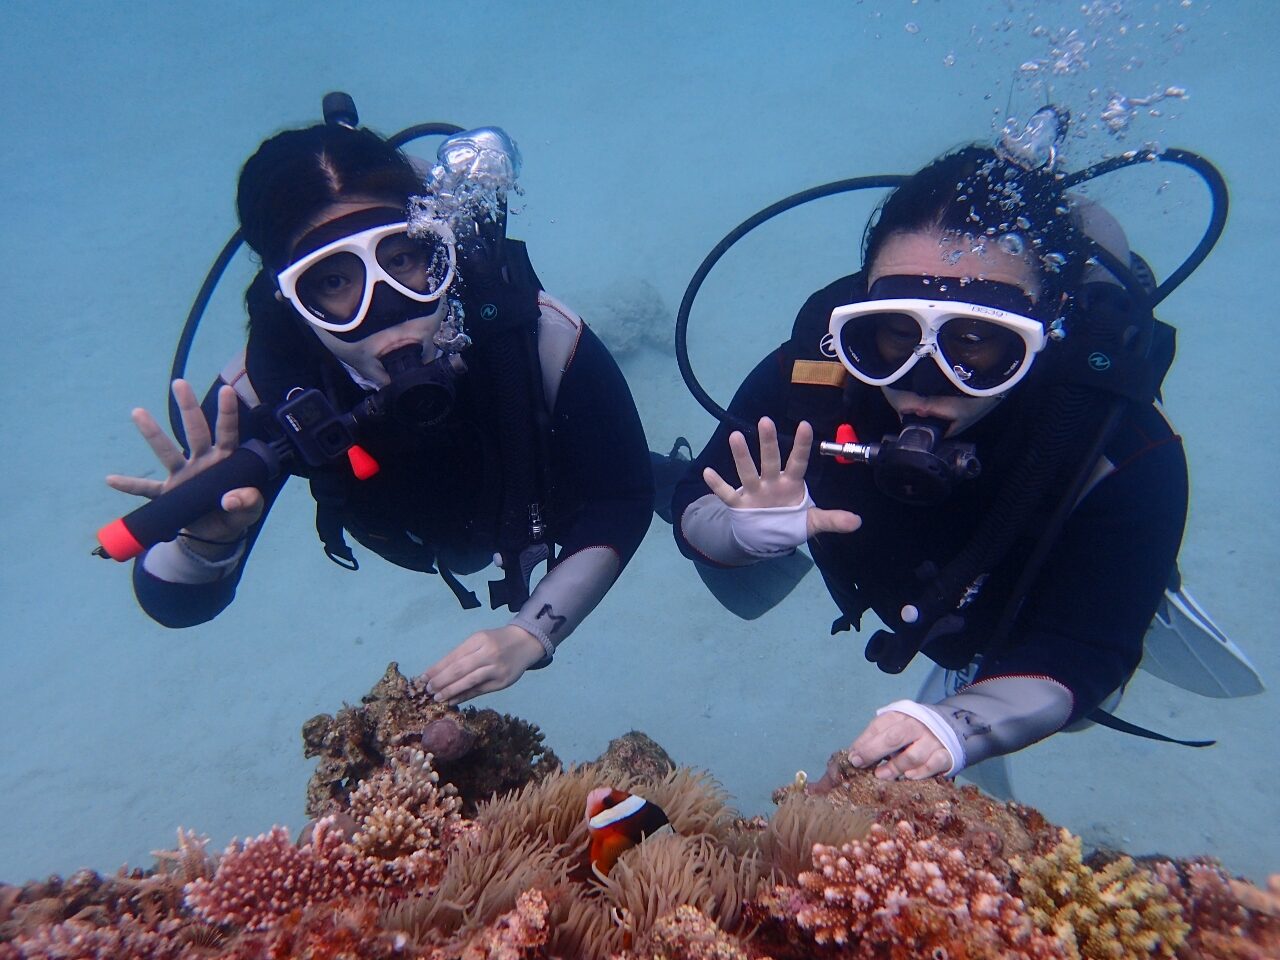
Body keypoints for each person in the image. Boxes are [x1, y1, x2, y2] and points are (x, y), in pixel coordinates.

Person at [671, 141, 1190, 784]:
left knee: (1087, 702)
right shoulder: (814, 375)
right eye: (894, 334)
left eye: (975, 343)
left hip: (1021, 605)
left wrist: (954, 724)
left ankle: (1142, 586)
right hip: (900, 587)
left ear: (1046, 329)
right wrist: (738, 532)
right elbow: (694, 501)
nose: (924, 382)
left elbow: (1084, 652)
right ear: (860, 313)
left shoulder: (1121, 447)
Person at [106, 116, 653, 704]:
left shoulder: (538, 335)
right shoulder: (258, 397)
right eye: (335, 281)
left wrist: (531, 633)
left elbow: (621, 497)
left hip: (552, 500)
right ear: (290, 298)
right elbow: (177, 605)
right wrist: (203, 541)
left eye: (406, 258)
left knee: (675, 491)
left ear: (439, 245)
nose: (386, 306)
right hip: (417, 534)